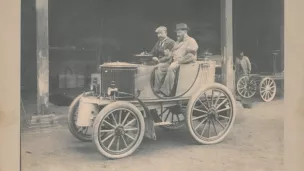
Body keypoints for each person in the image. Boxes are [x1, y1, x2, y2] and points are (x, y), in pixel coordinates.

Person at [158, 23, 199, 97]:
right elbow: (172, 54)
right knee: (159, 67)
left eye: (179, 32)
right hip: (175, 62)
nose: (177, 34)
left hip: (185, 65)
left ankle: (166, 93)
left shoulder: (191, 41)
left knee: (171, 68)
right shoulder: (177, 42)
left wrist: (178, 61)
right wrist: (167, 55)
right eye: (177, 32)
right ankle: (157, 90)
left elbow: (191, 56)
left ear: (185, 32)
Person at [150, 26, 175, 93]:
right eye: (158, 34)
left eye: (161, 33)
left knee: (157, 68)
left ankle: (157, 90)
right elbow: (153, 52)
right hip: (159, 62)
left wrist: (158, 61)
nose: (159, 35)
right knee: (147, 67)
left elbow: (169, 57)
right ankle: (150, 88)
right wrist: (151, 56)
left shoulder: (171, 42)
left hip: (168, 63)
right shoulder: (158, 42)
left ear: (166, 33)